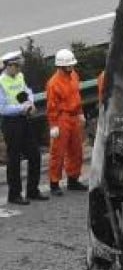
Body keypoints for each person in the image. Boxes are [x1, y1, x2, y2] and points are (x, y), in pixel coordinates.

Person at [0, 50, 47, 205]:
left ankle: (32, 190)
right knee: (14, 159)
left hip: (24, 120)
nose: (19, 68)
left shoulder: (19, 76)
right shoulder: (1, 82)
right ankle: (14, 195)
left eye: (19, 65)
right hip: (11, 123)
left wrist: (31, 103)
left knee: (35, 155)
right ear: (8, 66)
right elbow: (3, 109)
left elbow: (28, 91)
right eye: (16, 66)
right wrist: (22, 108)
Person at [46, 49, 87, 195]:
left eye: (72, 64)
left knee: (76, 150)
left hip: (74, 116)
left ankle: (73, 179)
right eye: (68, 65)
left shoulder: (74, 75)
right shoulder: (53, 83)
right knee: (58, 152)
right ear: (61, 66)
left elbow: (77, 96)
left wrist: (80, 113)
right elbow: (51, 106)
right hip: (61, 118)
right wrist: (54, 125)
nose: (71, 67)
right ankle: (54, 183)